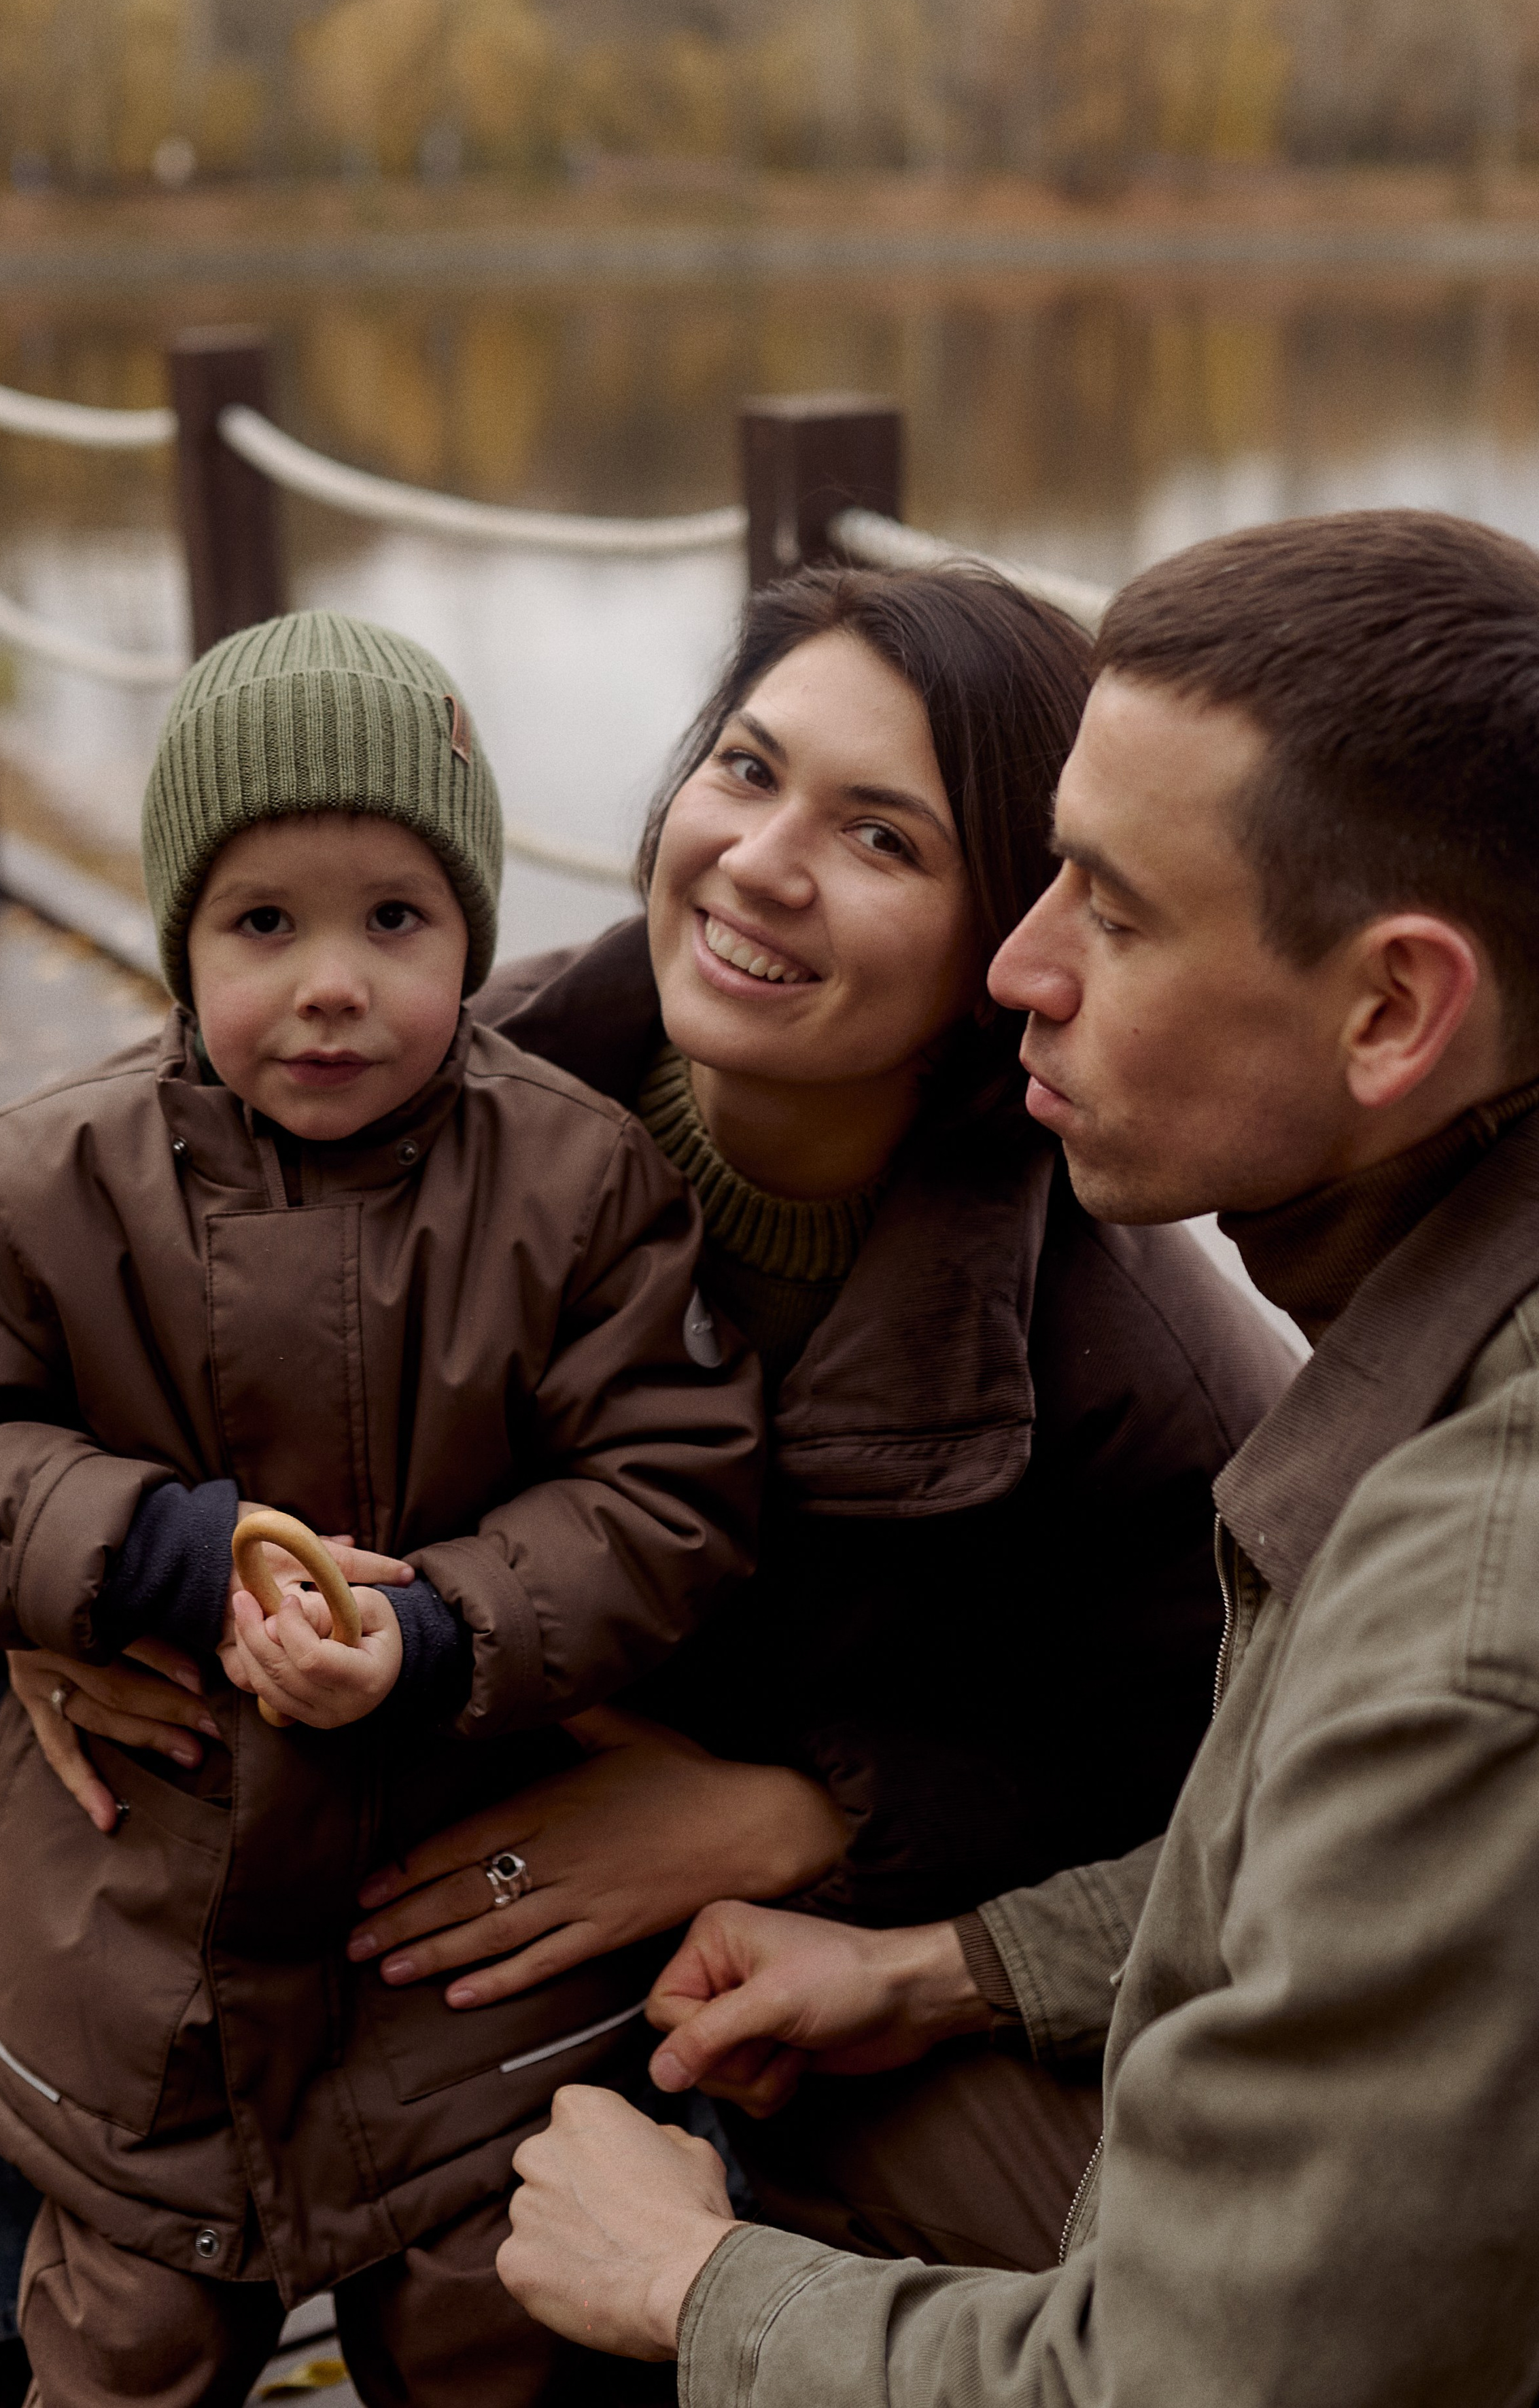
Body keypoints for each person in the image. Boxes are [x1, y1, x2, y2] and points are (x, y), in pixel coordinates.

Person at [0, 570, 1290, 2399]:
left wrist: (807, 1819)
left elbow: (1222, 1792)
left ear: (1010, 929)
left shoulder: (1134, 1353)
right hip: (431, 1713)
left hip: (789, 1900)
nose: (761, 860)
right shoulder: (475, 1054)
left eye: (883, 838)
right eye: (745, 769)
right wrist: (95, 1574)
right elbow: (112, 1221)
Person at [492, 506, 1539, 2408]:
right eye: (1048, 877)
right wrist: (944, 1966)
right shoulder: (494, 1082)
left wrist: (689, 2283)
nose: (1023, 966)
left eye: (1113, 912)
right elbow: (1339, 1870)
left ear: (1395, 1009)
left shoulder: (1458, 1582)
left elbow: (1200, 2380)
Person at [0, 611, 763, 2408]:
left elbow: (671, 1489)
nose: (333, 981)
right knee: (128, 2332)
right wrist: (142, 1548)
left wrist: (439, 1626)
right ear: (180, 939)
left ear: (471, 926)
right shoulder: (39, 1183)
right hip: (137, 1926)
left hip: (452, 1943)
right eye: (265, 923)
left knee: (496, 2327)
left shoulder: (577, 1182)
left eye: (394, 919)